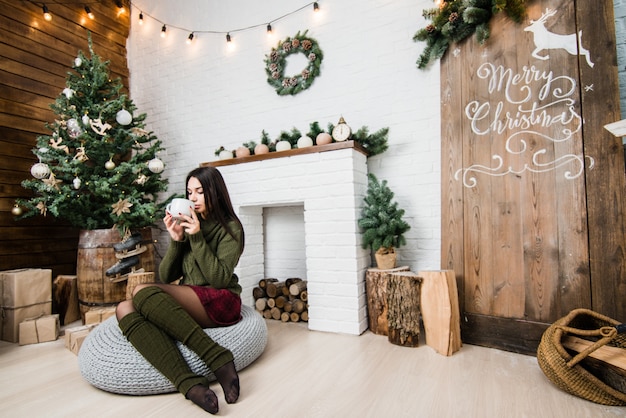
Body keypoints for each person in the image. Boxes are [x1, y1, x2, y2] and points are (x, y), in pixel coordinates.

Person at [116, 166, 245, 415]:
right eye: (189, 192)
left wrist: (196, 237)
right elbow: (167, 276)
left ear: (215, 193)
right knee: (123, 308)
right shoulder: (187, 222)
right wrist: (176, 240)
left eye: (200, 191)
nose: (193, 198)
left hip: (222, 300)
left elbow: (218, 279)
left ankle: (216, 356)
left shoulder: (231, 228)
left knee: (142, 291)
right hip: (193, 297)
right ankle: (189, 383)